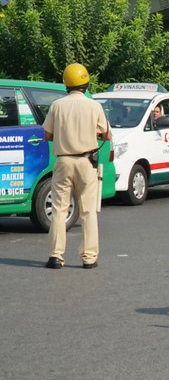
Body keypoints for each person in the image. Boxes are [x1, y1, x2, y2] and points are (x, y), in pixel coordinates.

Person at [44, 63, 112, 270]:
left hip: (63, 161)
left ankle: (56, 256)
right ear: (86, 82)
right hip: (85, 161)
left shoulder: (57, 105)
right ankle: (89, 257)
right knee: (88, 211)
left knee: (59, 209)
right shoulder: (94, 106)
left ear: (66, 83)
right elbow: (106, 134)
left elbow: (47, 134)